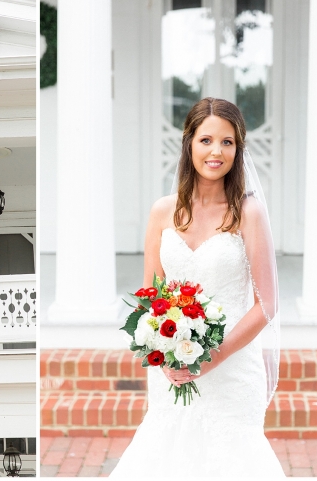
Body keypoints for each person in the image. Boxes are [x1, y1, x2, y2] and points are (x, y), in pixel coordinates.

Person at [110, 98, 284, 477]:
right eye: (206, 140)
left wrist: (212, 357)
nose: (216, 151)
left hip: (232, 372)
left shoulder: (247, 212)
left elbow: (267, 304)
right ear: (189, 144)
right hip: (172, 371)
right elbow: (149, 296)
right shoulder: (163, 211)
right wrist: (161, 352)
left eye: (227, 142)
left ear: (238, 150)